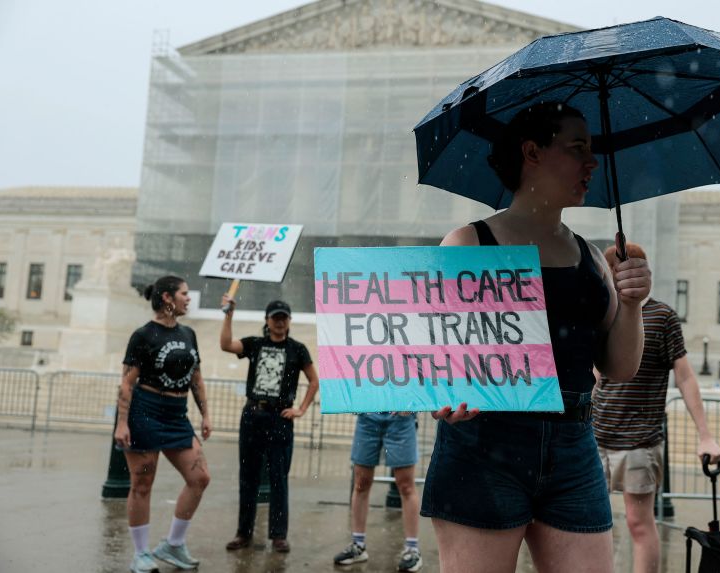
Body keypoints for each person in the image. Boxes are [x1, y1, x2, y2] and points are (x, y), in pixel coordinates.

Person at [419, 102, 652, 573]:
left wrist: (631, 303)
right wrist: (441, 394)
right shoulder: (468, 243)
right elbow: (434, 355)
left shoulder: (589, 256)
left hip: (574, 445)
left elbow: (619, 366)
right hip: (484, 444)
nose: (592, 163)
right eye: (577, 148)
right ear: (532, 152)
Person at [593, 242, 720, 573]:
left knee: (639, 523)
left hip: (640, 442)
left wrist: (705, 436)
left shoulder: (662, 316)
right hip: (595, 438)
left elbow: (686, 378)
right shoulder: (601, 314)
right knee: (592, 525)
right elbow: (593, 376)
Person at [114, 275, 212, 573]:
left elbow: (196, 378)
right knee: (142, 483)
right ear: (168, 298)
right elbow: (127, 383)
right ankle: (141, 554)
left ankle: (173, 544)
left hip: (177, 414)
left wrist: (205, 414)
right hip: (145, 411)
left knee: (200, 478)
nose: (188, 298)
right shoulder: (143, 335)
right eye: (184, 293)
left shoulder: (189, 333)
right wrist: (121, 424)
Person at [220, 297, 319, 553]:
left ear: (289, 321)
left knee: (278, 478)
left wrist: (301, 409)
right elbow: (226, 345)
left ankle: (278, 535)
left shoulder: (297, 349)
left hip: (280, 419)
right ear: (267, 320)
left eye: (283, 317)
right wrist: (229, 315)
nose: (279, 322)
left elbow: (314, 380)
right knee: (248, 478)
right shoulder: (254, 344)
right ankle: (244, 533)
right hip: (253, 415)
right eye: (275, 317)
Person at [333, 411, 423, 572]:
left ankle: (412, 548)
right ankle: (358, 544)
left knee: (406, 486)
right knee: (361, 483)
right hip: (369, 415)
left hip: (400, 416)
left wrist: (411, 404)